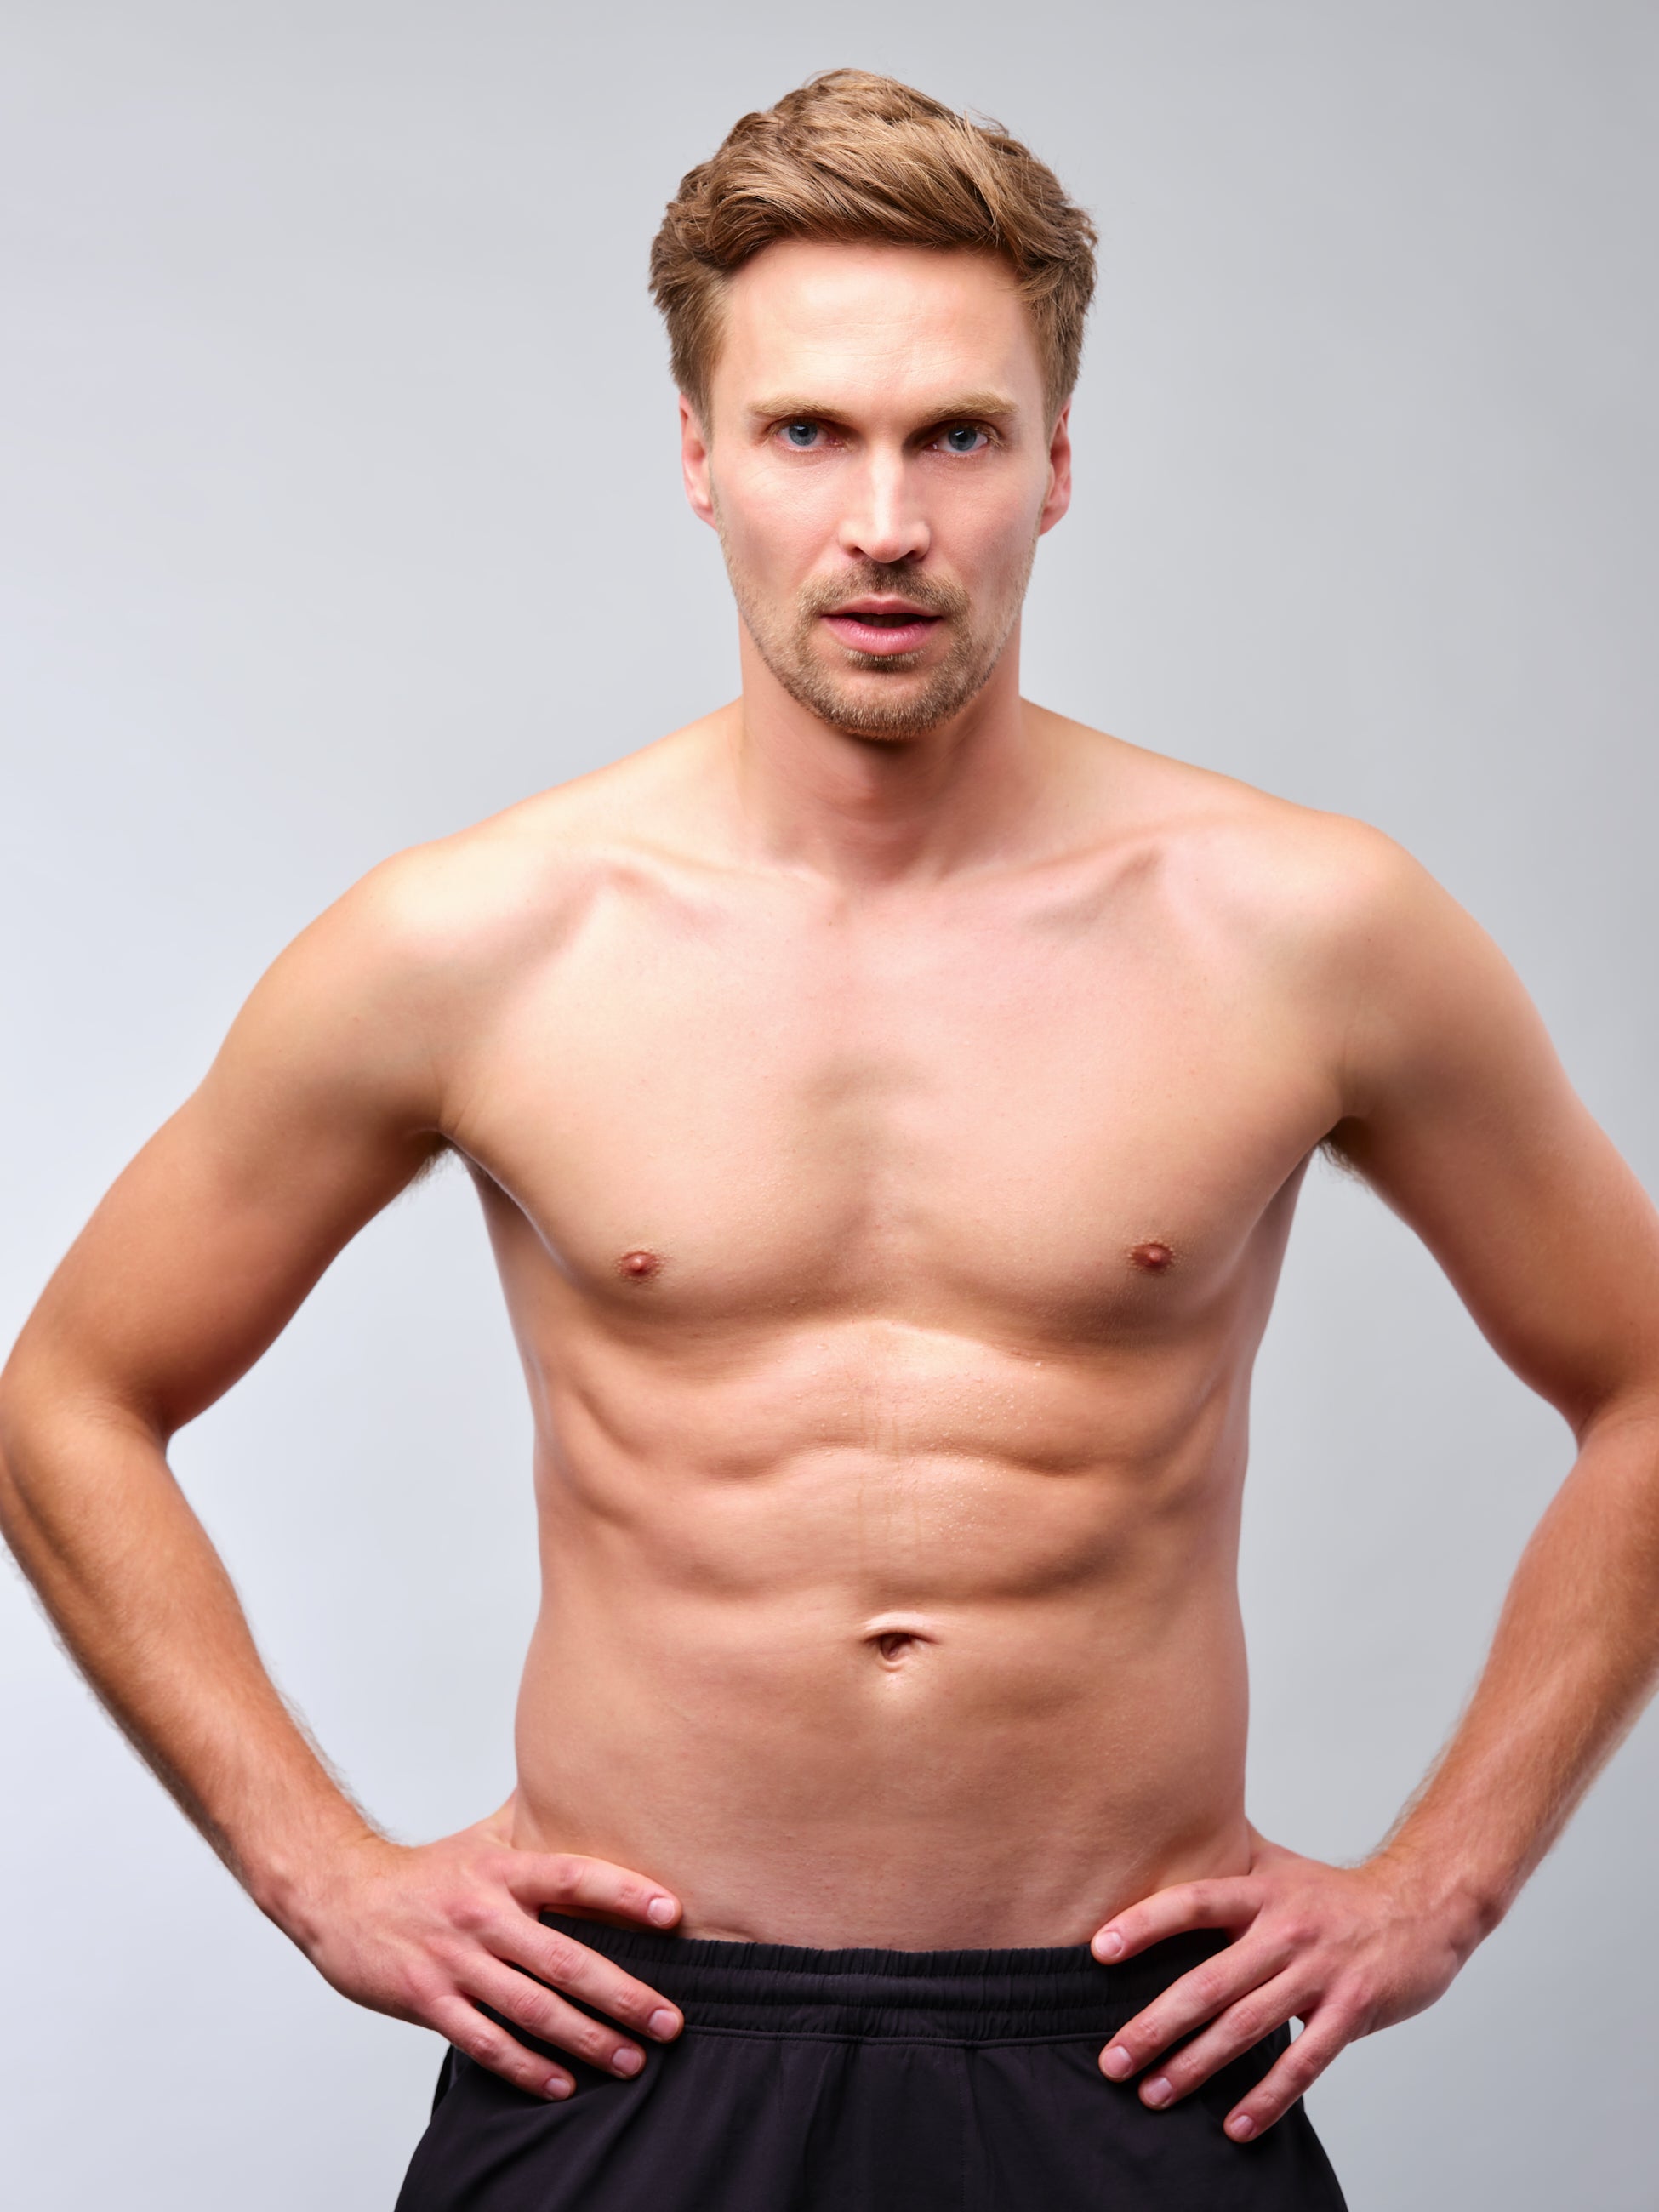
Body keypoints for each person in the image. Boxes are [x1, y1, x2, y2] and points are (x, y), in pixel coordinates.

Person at [3, 66, 1657, 2212]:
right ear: (698, 455)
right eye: (808, 432)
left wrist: (1449, 1884)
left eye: (956, 434)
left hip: (1128, 2051)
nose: (885, 521)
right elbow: (68, 1395)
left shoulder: (1308, 930)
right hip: (630, 2043)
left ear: (1059, 462)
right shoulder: (479, 941)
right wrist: (319, 1870)